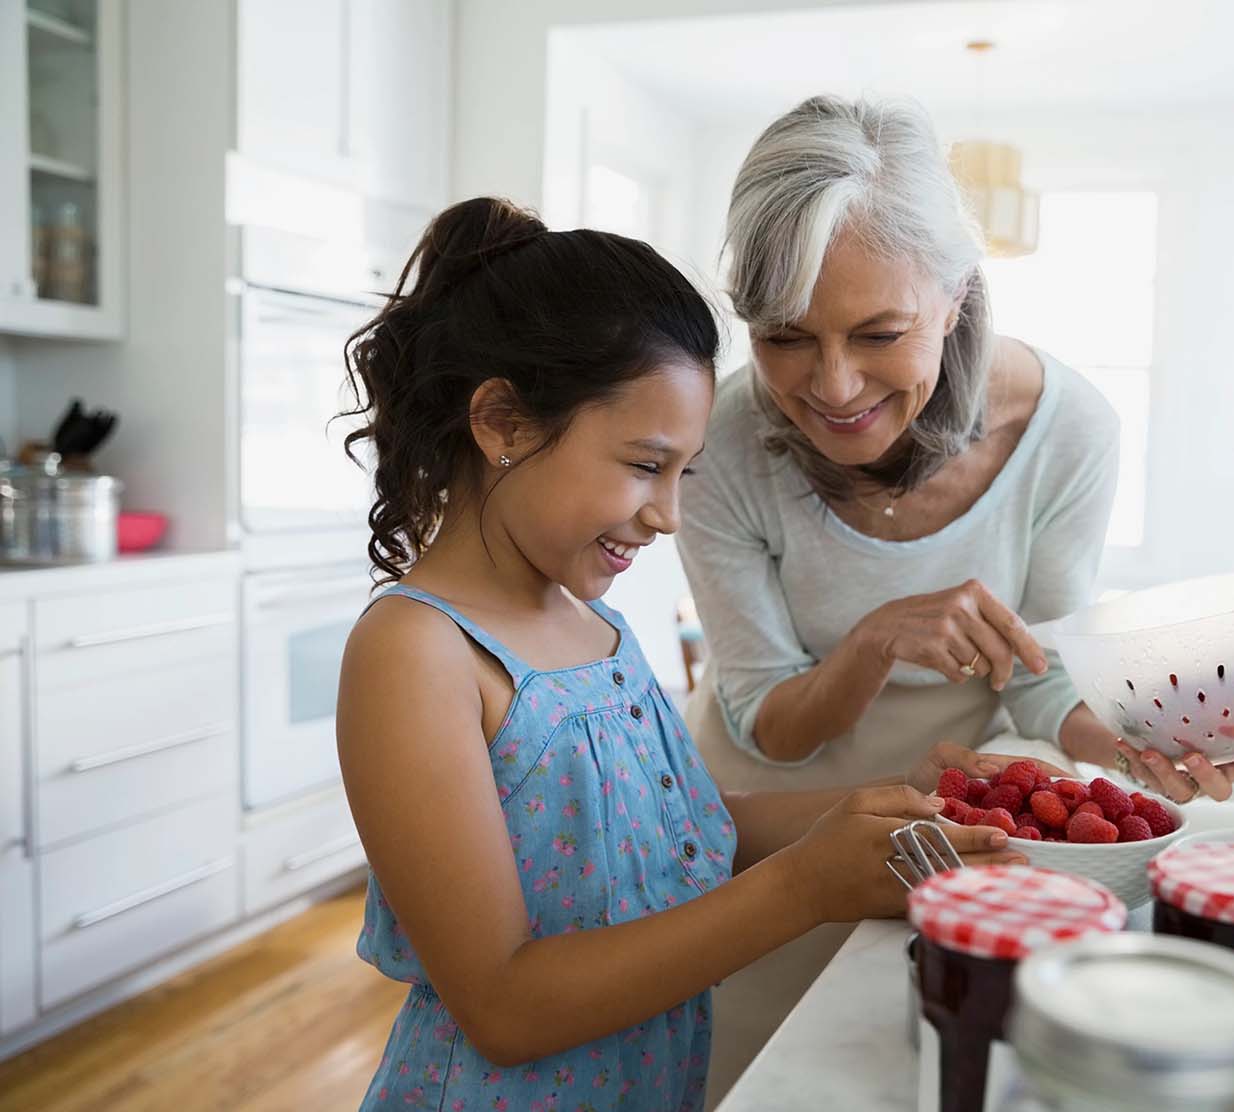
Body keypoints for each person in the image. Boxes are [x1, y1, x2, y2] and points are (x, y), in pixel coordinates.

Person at [334, 197, 1031, 1112]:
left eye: (683, 473)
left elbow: (692, 828)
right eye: (641, 464)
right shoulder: (415, 653)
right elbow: (504, 1005)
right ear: (502, 421)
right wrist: (803, 889)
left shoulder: (598, 629)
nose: (667, 514)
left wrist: (913, 799)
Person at [677, 94, 1234, 1102]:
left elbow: (1039, 682)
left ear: (957, 297)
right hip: (760, 825)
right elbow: (768, 723)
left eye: (878, 332)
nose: (831, 383)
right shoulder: (720, 440)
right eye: (784, 336)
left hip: (949, 833)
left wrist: (1139, 745)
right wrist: (878, 637)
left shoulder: (1069, 429)